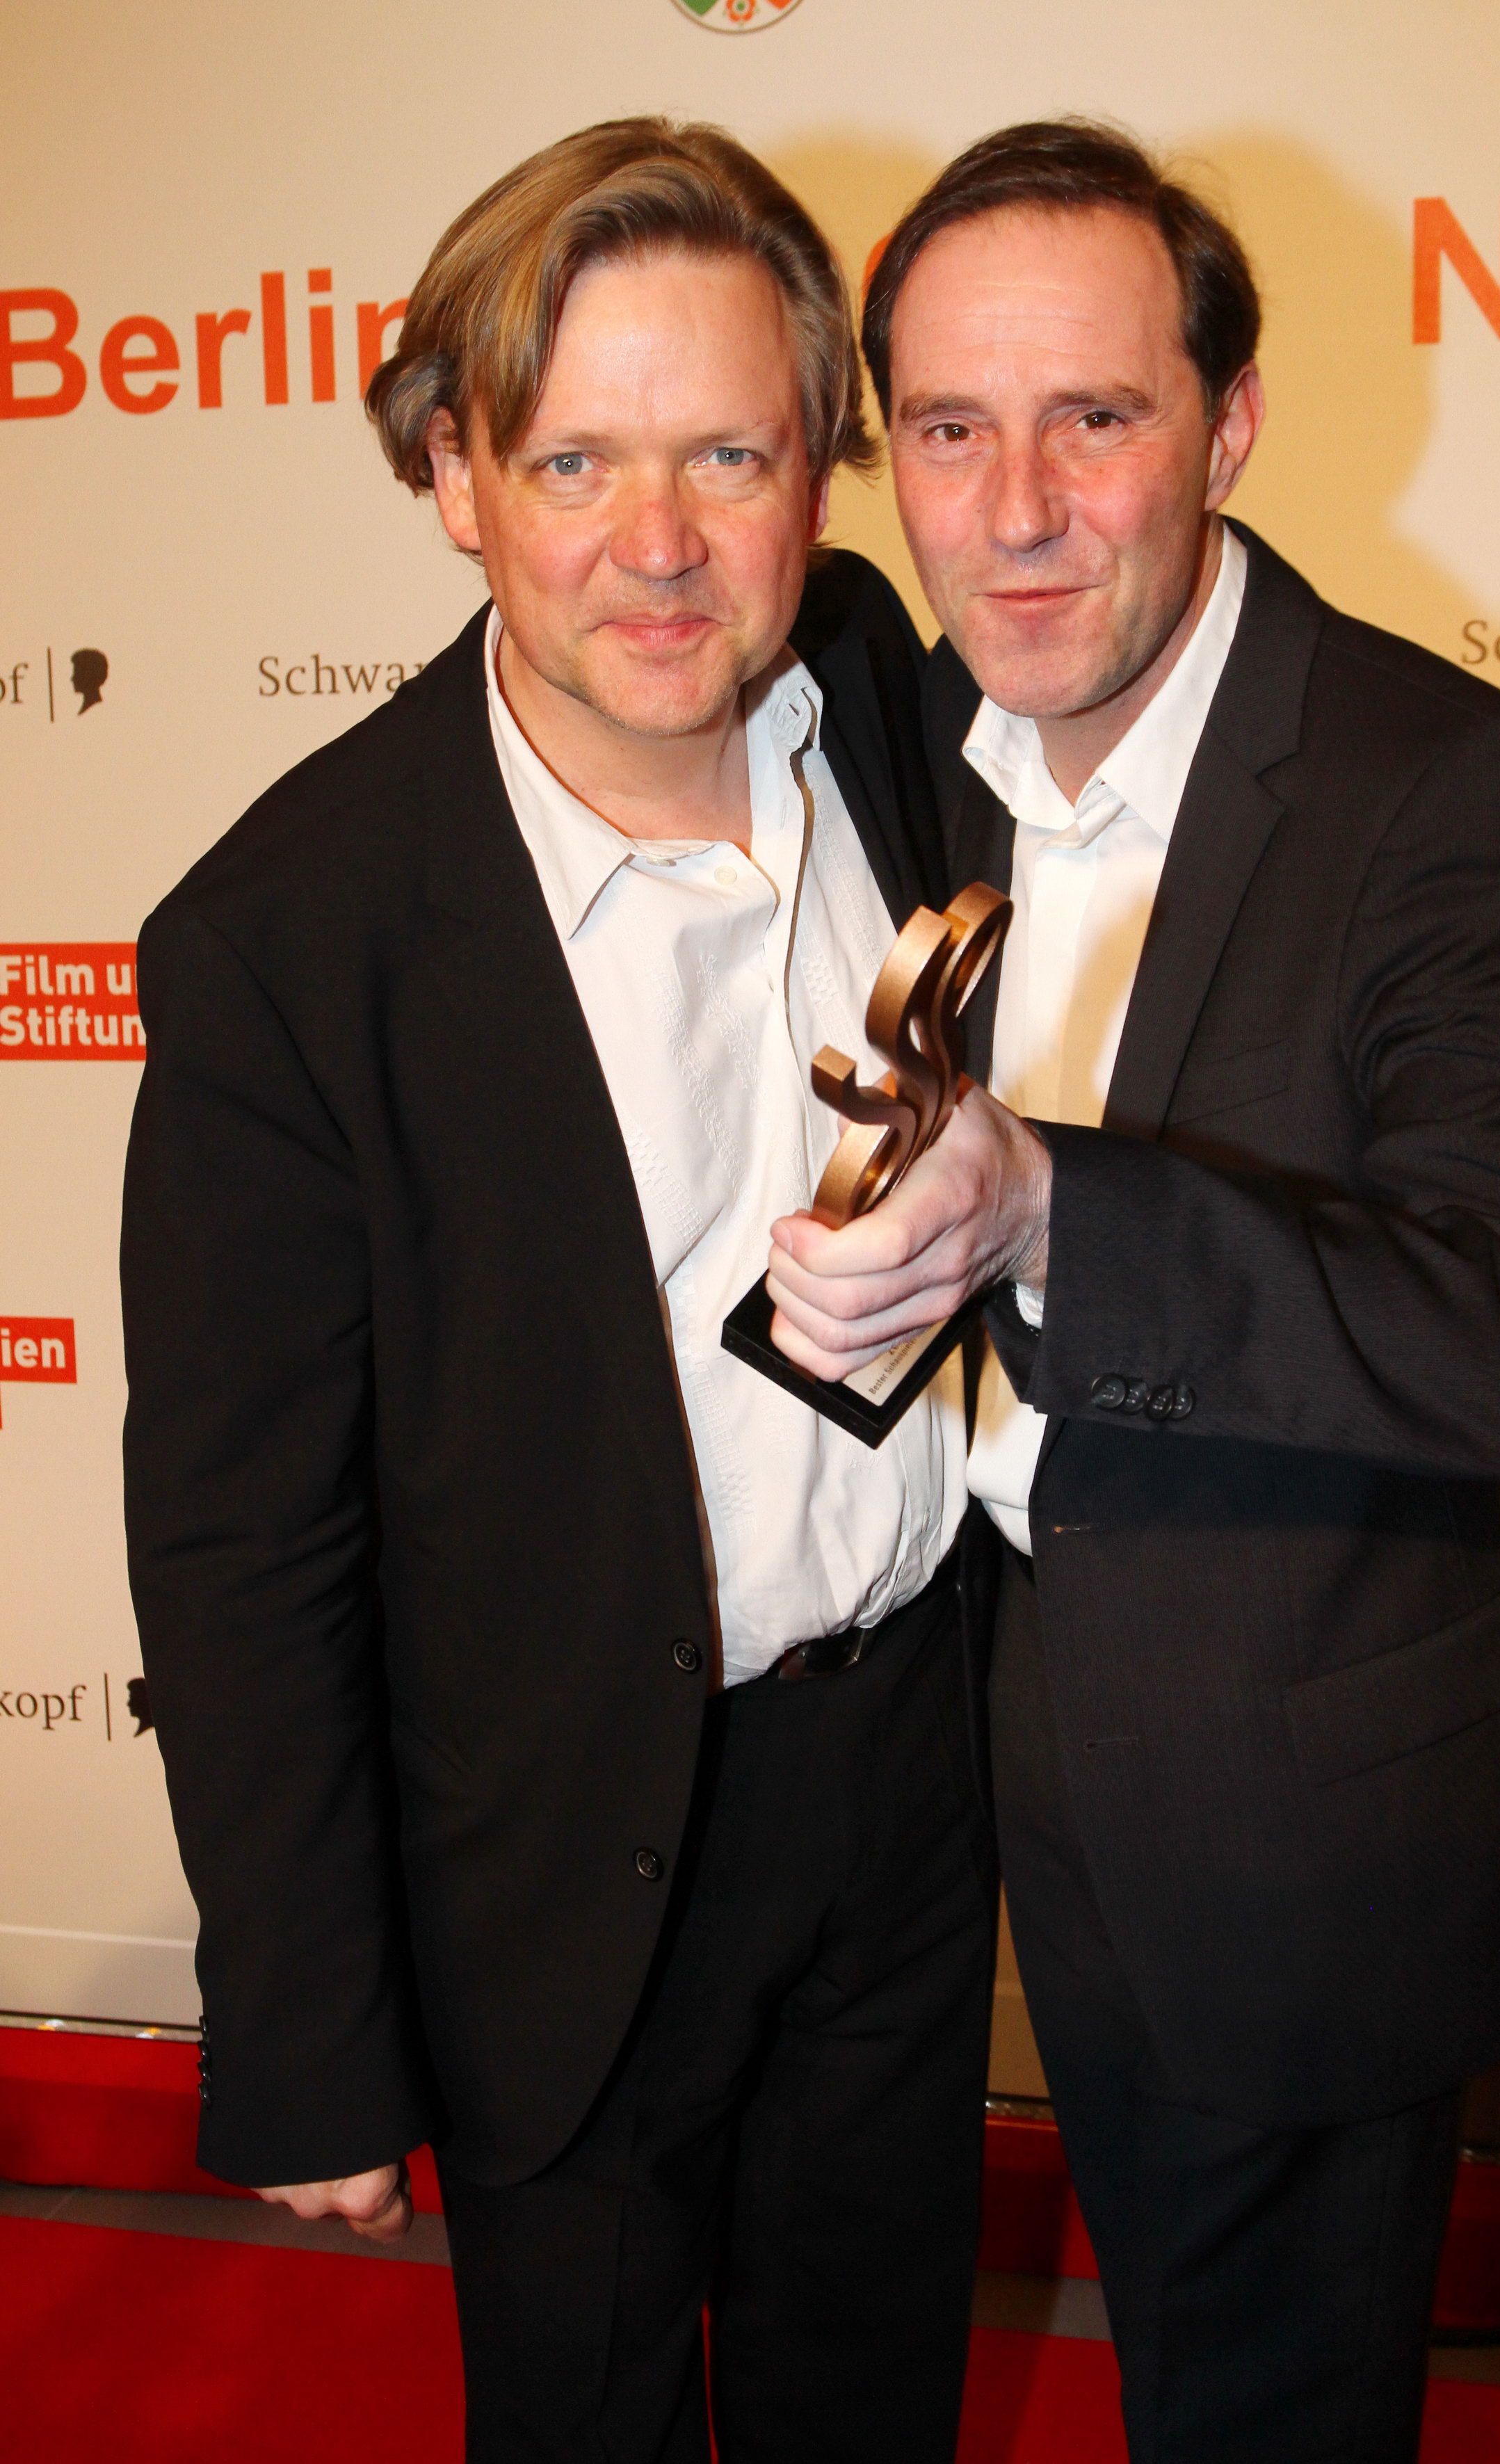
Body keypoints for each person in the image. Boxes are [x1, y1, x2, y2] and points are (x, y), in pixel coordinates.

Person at [122, 119, 995, 2464]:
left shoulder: (878, 694)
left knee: (874, 2407)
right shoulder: (291, 940)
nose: (658, 541)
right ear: (453, 475)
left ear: (817, 465)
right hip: (566, 1849)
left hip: (909, 1784)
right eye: (576, 458)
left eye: (729, 454)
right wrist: (307, 2035)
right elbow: (241, 1544)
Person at [766, 118, 1500, 2462]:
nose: (1016, 511)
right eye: (949, 430)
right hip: (975, 1777)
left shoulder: (1435, 779)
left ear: (1229, 425)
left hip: (1291, 1819)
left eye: (1096, 418)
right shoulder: (899, 741)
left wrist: (1055, 1210)